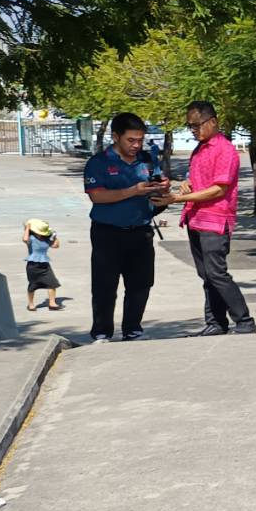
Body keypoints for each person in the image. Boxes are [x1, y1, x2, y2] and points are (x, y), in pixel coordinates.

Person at [155, 101, 255, 336]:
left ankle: (244, 320)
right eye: (189, 126)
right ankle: (216, 322)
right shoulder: (199, 150)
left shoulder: (225, 150)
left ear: (212, 122)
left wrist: (175, 200)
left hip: (215, 220)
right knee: (206, 275)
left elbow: (219, 189)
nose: (193, 130)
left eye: (196, 125)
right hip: (195, 218)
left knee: (216, 273)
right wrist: (186, 186)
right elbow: (199, 182)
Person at [84, 113, 168, 343]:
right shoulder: (99, 162)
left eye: (140, 140)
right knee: (104, 286)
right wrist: (134, 190)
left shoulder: (147, 159)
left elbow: (156, 186)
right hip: (107, 233)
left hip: (140, 231)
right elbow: (97, 197)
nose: (136, 145)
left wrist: (162, 188)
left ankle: (133, 329)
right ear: (116, 137)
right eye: (131, 140)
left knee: (141, 284)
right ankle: (102, 332)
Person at [22, 219, 62, 311]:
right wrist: (27, 228)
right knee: (33, 285)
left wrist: (55, 237)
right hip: (32, 265)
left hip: (45, 264)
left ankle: (52, 303)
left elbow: (56, 246)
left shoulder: (46, 239)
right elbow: (24, 239)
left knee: (52, 283)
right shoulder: (31, 238)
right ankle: (31, 305)